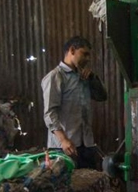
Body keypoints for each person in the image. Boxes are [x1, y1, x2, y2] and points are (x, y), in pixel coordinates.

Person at [41, 36, 108, 170]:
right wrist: (63, 140)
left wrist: (93, 79)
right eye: (84, 54)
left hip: (86, 143)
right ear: (72, 50)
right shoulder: (55, 77)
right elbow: (49, 113)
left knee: (88, 185)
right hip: (64, 146)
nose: (88, 59)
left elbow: (102, 97)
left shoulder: (84, 77)